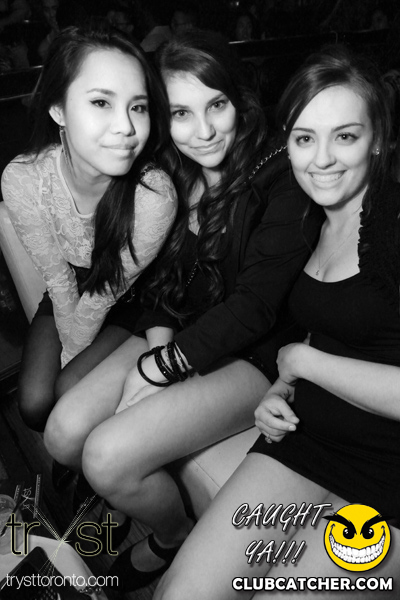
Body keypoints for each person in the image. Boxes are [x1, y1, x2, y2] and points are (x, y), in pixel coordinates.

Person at [43, 30, 324, 592]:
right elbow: (159, 282)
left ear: (238, 99)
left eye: (216, 105)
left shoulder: (281, 179)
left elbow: (254, 309)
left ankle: (172, 536)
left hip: (254, 356)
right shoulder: (171, 171)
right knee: (62, 434)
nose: (204, 130)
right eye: (180, 114)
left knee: (105, 456)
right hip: (183, 333)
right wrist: (158, 343)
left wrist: (159, 369)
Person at [154, 45, 400, 600]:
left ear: (377, 139)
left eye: (345, 136)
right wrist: (282, 387)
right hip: (308, 438)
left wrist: (304, 363)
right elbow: (340, 326)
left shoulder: (393, 225)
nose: (322, 159)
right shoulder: (308, 218)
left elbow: (318, 348)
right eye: (305, 138)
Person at [1, 25, 177, 434]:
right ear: (58, 109)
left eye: (138, 106)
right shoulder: (24, 179)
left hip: (130, 298)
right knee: (33, 405)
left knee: (65, 392)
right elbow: (58, 279)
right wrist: (68, 351)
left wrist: (70, 364)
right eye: (101, 102)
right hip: (68, 286)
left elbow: (107, 293)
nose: (127, 127)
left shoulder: (153, 195)